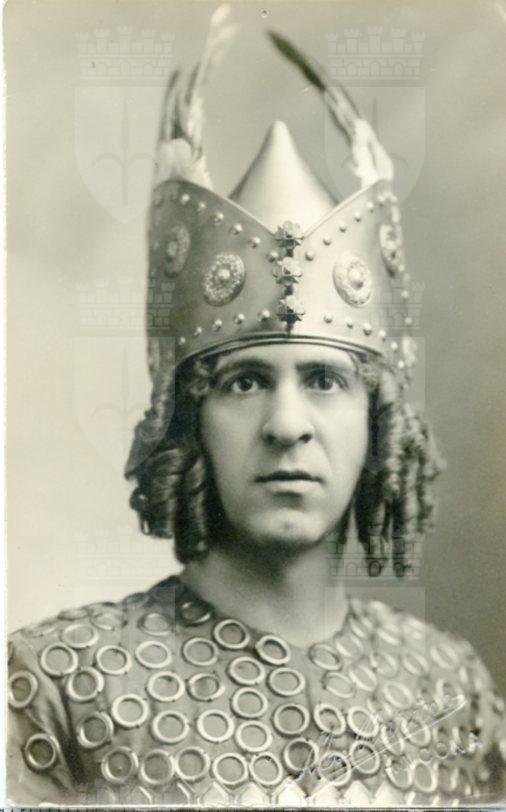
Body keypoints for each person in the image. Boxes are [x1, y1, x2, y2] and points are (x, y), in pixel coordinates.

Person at [7, 11, 506, 807]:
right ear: (187, 419)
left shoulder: (452, 693)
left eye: (325, 380)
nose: (287, 425)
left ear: (380, 420)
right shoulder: (59, 684)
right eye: (244, 382)